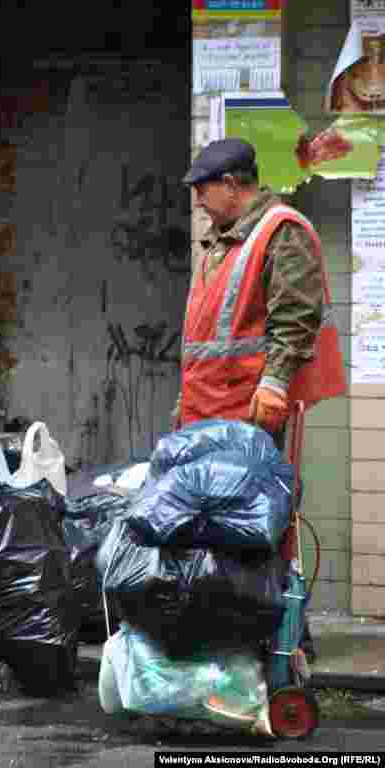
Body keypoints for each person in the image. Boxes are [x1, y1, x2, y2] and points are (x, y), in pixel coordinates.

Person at [179, 138, 346, 663]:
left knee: (259, 522)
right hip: (208, 409)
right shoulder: (221, 241)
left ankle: (284, 634)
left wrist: (274, 382)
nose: (198, 202)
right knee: (223, 526)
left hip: (249, 410)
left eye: (202, 190)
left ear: (232, 185)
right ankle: (237, 629)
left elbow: (295, 317)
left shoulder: (280, 233)